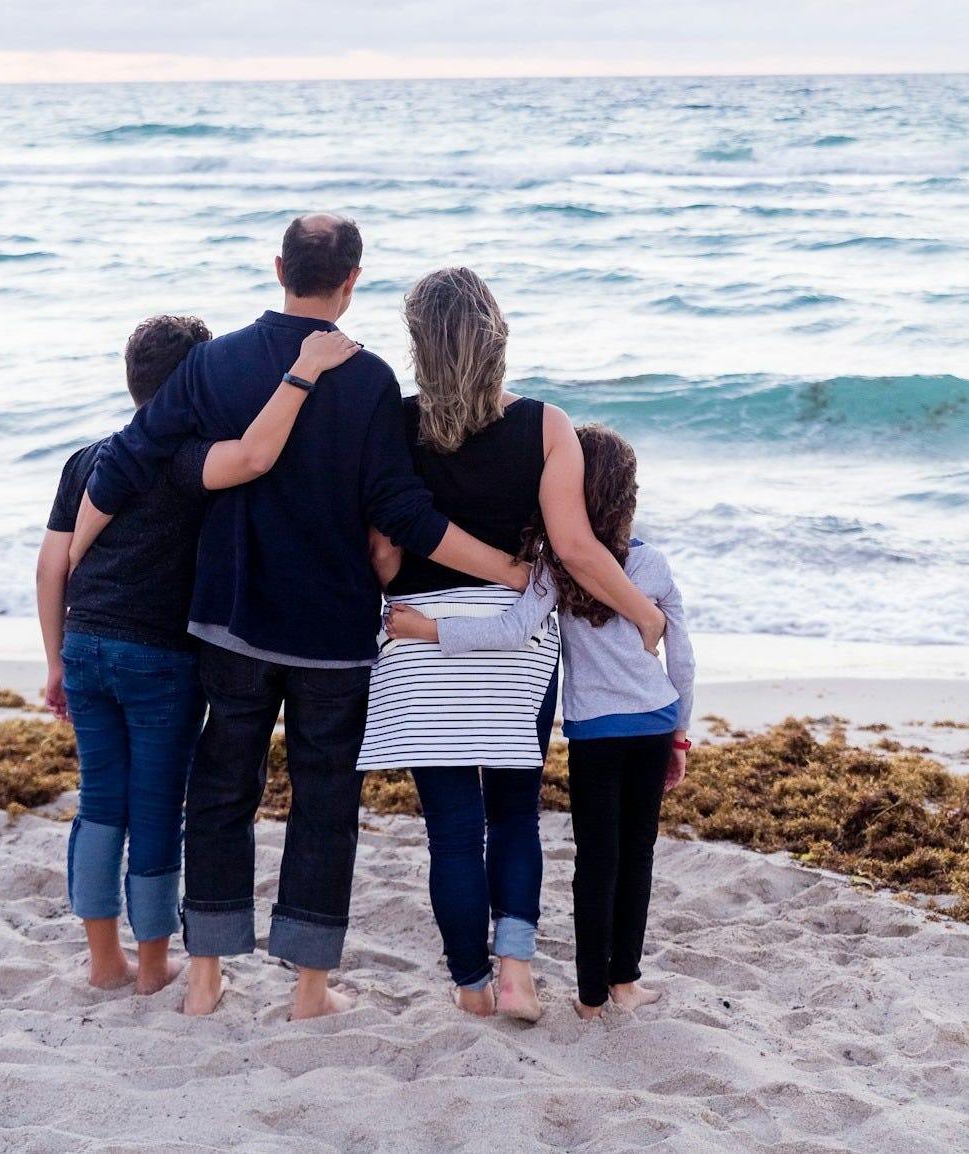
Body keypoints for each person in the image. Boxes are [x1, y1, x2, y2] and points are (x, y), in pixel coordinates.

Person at [71, 216, 529, 1020]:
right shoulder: (371, 380)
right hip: (331, 633)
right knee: (323, 803)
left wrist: (75, 558)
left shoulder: (214, 363)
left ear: (279, 265)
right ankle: (310, 991)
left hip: (232, 621)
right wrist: (511, 573)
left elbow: (129, 457)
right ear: (353, 279)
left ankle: (206, 977)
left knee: (221, 792)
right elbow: (403, 513)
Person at [356, 269, 666, 1021]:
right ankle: (519, 971)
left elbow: (384, 561)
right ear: (497, 335)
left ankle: (471, 987)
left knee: (453, 832)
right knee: (516, 814)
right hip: (515, 647)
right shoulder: (545, 425)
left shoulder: (393, 425)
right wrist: (644, 617)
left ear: (419, 344)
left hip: (420, 644)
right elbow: (576, 548)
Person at [37, 313, 360, 995]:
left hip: (85, 645)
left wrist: (55, 662)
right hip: (158, 660)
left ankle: (103, 961)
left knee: (101, 803)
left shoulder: (88, 457)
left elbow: (51, 567)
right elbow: (252, 456)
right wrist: (304, 374)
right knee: (155, 809)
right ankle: (153, 966)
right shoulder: (185, 459)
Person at [386, 424, 695, 1018]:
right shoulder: (651, 564)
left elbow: (509, 631)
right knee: (639, 856)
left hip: (594, 734)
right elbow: (681, 657)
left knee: (596, 860)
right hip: (654, 724)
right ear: (628, 494)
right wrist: (680, 731)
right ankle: (625, 981)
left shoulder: (556, 568)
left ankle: (588, 998)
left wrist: (427, 628)